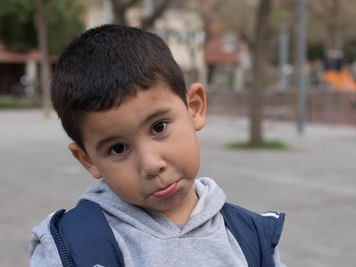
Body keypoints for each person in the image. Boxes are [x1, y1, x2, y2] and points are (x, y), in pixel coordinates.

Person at [30, 24, 286, 267]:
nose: (151, 165)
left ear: (194, 108)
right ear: (88, 160)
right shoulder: (73, 247)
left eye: (159, 127)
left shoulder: (251, 237)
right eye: (118, 148)